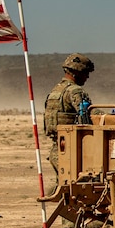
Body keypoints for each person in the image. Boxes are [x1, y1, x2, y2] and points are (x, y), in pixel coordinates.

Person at [43, 53, 95, 190]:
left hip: (57, 148)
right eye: (85, 73)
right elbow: (89, 114)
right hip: (72, 149)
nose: (87, 77)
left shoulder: (56, 90)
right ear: (77, 72)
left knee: (65, 189)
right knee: (78, 191)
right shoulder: (75, 91)